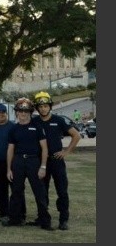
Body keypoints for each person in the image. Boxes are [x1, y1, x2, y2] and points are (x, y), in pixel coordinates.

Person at [32, 91, 81, 230]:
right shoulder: (34, 121)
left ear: (50, 106)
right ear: (37, 108)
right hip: (41, 162)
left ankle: (63, 219)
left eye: (46, 106)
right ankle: (42, 217)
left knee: (62, 191)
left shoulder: (59, 120)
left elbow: (76, 135)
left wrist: (66, 151)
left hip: (56, 160)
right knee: (42, 191)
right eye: (40, 106)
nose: (43, 109)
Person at [2, 98, 52, 231]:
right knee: (16, 191)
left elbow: (45, 148)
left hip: (33, 161)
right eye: (20, 111)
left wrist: (43, 166)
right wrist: (9, 169)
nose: (23, 114)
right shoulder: (13, 129)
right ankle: (15, 219)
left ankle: (45, 222)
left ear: (30, 112)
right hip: (18, 161)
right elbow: (10, 149)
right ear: (16, 113)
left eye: (25, 111)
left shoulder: (37, 127)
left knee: (39, 192)